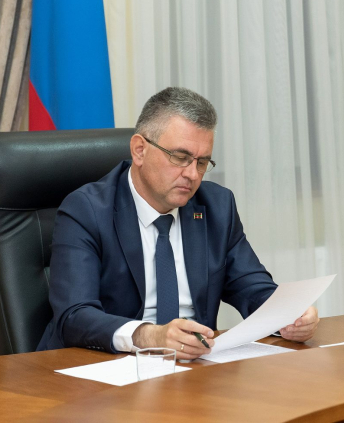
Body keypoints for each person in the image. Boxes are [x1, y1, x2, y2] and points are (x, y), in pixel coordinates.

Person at [37, 87, 318, 360]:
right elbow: (74, 316)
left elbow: (251, 286)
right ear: (139, 150)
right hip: (103, 368)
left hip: (194, 367)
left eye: (202, 162)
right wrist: (150, 336)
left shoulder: (216, 206)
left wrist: (289, 315)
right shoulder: (86, 210)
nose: (193, 174)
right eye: (180, 158)